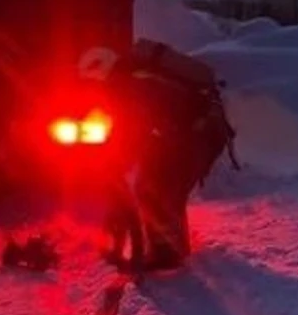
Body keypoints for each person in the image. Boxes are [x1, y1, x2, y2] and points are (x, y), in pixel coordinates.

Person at [98, 40, 235, 271]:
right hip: (186, 133)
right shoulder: (134, 79)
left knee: (158, 187)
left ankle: (168, 254)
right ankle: (168, 249)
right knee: (155, 183)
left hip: (198, 135)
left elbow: (132, 127)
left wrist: (116, 157)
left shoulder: (131, 87)